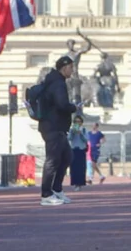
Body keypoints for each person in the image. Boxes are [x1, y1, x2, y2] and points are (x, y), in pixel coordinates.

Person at [39, 55, 79, 206]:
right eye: (71, 67)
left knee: (67, 157)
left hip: (56, 127)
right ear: (64, 67)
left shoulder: (56, 81)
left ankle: (56, 188)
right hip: (53, 127)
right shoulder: (58, 84)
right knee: (53, 160)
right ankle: (46, 194)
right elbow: (62, 104)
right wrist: (74, 107)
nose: (72, 70)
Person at [68, 116, 89, 191]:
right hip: (73, 149)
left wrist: (80, 134)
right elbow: (69, 138)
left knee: (81, 167)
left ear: (81, 122)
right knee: (74, 168)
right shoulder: (71, 130)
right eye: (76, 121)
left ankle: (80, 183)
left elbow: (86, 139)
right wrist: (73, 133)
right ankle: (75, 183)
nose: (78, 123)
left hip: (81, 150)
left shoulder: (84, 130)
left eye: (79, 121)